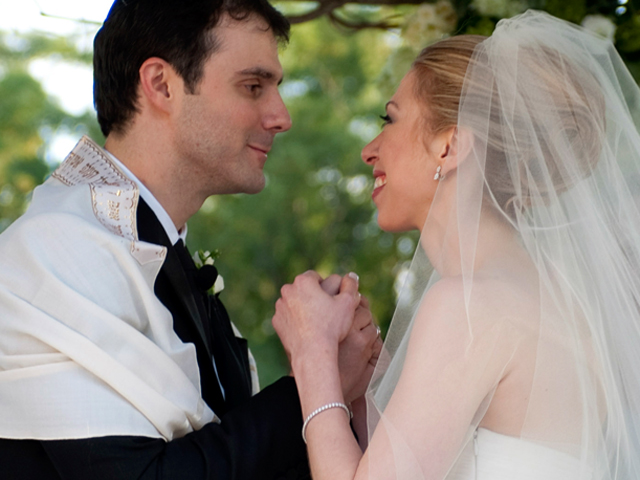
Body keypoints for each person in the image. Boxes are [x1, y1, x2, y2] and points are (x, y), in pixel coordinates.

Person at [0, 0, 380, 478]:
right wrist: (316, 378)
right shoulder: (53, 250)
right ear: (161, 84)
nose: (281, 117)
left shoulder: (155, 247)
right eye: (253, 86)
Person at [272, 10, 640, 479]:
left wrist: (312, 353)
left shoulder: (472, 305)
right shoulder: (563, 303)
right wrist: (364, 386)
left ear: (449, 146)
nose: (369, 149)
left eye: (390, 118)